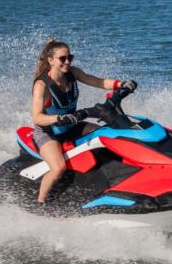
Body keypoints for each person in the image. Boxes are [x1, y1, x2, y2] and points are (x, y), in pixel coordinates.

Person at [31, 38, 136, 204]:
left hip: (71, 125)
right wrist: (59, 118)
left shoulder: (73, 73)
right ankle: (40, 202)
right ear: (50, 60)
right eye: (62, 58)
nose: (67, 62)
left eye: (70, 57)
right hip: (48, 133)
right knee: (58, 168)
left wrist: (121, 84)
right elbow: (37, 117)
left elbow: (98, 81)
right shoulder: (42, 85)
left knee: (106, 135)